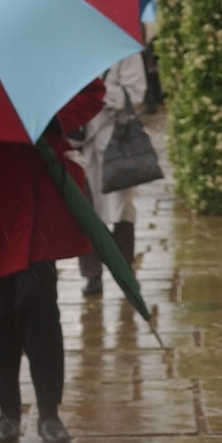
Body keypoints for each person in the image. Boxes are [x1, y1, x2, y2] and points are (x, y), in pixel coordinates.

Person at [0, 81, 106, 443]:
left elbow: (90, 93)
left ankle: (49, 412)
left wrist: (49, 120)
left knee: (39, 306)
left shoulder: (41, 39)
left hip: (35, 195)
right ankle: (8, 412)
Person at [76, 52, 150, 297]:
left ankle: (125, 271)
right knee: (85, 209)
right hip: (81, 142)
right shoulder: (73, 48)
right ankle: (91, 273)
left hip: (116, 143)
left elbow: (137, 93)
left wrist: (101, 92)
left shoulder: (125, 51)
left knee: (121, 209)